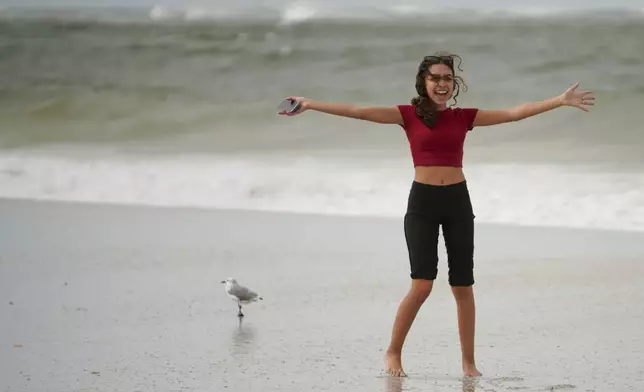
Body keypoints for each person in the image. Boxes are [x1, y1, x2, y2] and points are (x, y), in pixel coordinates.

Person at [278, 52, 595, 378]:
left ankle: (468, 363)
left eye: (447, 78)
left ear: (453, 83)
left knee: (463, 286)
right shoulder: (407, 115)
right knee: (422, 285)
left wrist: (559, 100)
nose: (442, 84)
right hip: (423, 204)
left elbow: (514, 113)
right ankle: (393, 351)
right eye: (435, 78)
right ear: (424, 82)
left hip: (458, 201)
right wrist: (311, 103)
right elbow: (358, 111)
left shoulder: (464, 117)